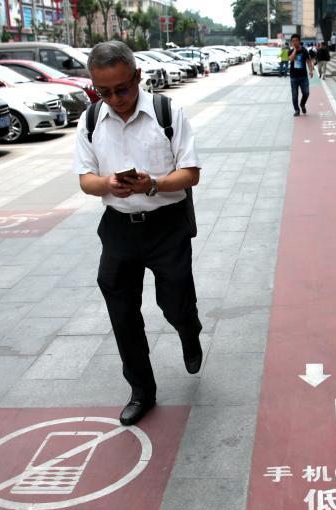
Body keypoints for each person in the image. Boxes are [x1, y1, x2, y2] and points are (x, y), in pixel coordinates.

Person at [73, 41, 202, 426]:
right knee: (122, 313)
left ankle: (189, 329)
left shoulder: (168, 112)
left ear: (138, 76)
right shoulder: (91, 120)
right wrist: (108, 184)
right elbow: (86, 179)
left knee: (175, 303)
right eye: (104, 91)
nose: (115, 99)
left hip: (167, 226)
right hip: (118, 229)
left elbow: (190, 173)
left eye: (122, 89)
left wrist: (152, 184)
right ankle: (141, 390)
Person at [289, 33, 314, 116]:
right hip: (293, 77)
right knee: (294, 95)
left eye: (296, 41)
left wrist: (311, 70)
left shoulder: (304, 50)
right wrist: (295, 50)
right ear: (291, 42)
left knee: (306, 93)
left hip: (303, 76)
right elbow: (291, 59)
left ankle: (302, 104)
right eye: (293, 41)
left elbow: (308, 61)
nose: (295, 42)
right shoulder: (290, 51)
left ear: (299, 41)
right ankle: (297, 110)